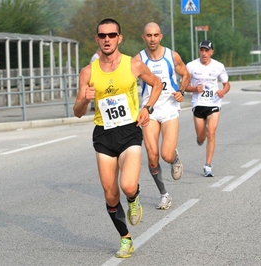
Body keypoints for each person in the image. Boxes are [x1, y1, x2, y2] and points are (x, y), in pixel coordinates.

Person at [73, 18, 162, 258]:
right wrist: (84, 99)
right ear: (97, 39)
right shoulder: (87, 72)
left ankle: (134, 198)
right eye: (102, 36)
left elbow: (157, 84)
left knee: (128, 186)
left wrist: (148, 108)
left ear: (119, 38)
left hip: (129, 130)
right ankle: (125, 238)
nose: (107, 39)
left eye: (112, 35)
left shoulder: (133, 64)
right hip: (103, 133)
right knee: (110, 194)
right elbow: (77, 111)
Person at [134, 22, 190, 210]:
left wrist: (181, 90)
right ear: (143, 37)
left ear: (161, 37)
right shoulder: (138, 60)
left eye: (155, 35)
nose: (152, 39)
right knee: (152, 156)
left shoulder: (171, 56)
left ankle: (174, 158)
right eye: (148, 35)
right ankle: (164, 194)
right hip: (149, 109)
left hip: (169, 108)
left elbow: (186, 74)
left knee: (165, 154)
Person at [185, 40, 230, 177]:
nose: (204, 53)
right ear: (199, 51)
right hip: (198, 103)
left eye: (207, 50)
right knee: (201, 135)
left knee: (211, 132)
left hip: (214, 103)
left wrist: (223, 91)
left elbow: (226, 84)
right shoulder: (191, 66)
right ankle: (200, 137)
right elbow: (184, 86)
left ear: (212, 52)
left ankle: (208, 165)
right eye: (202, 50)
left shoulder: (218, 66)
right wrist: (194, 88)